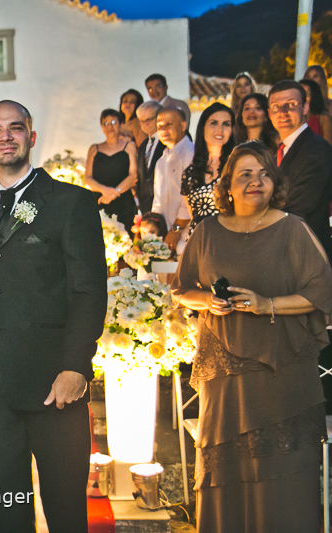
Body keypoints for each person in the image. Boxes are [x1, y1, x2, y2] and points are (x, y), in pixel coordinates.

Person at [0, 100, 106, 533]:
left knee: (66, 513)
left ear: (32, 137)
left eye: (16, 128)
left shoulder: (71, 202)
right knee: (8, 515)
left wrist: (76, 367)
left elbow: (90, 291)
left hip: (55, 385)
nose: (6, 136)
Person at [172, 141, 332, 533]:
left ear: (274, 182)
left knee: (282, 471)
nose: (255, 182)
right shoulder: (207, 231)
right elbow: (181, 288)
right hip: (223, 377)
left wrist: (268, 304)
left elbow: (322, 291)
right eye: (245, 174)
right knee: (226, 470)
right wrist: (208, 301)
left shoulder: (293, 228)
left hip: (280, 372)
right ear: (227, 185)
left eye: (263, 174)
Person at [269, 79, 332, 258]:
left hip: (308, 255)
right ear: (269, 113)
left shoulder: (317, 149)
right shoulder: (277, 154)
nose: (282, 112)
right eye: (276, 106)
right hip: (283, 253)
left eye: (291, 104)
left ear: (305, 108)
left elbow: (296, 206)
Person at [181, 103, 236, 239]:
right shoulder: (190, 173)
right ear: (203, 127)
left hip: (231, 241)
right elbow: (193, 215)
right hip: (198, 242)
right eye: (214, 123)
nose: (220, 130)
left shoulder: (237, 167)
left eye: (226, 124)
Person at [84, 109, 138, 232]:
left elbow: (133, 174)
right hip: (100, 200)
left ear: (121, 124)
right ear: (102, 127)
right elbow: (87, 178)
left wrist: (115, 192)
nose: (110, 126)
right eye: (105, 123)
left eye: (114, 122)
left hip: (123, 201)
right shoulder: (94, 148)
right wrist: (105, 191)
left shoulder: (129, 146)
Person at [152, 108, 193, 253]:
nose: (163, 129)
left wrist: (175, 230)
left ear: (183, 125)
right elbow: (157, 202)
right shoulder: (161, 161)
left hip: (187, 236)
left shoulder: (190, 154)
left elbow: (189, 199)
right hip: (165, 236)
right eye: (159, 125)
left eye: (169, 124)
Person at [136, 101, 166, 214]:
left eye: (149, 119)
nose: (146, 123)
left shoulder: (169, 142)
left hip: (165, 206)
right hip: (146, 208)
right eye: (142, 121)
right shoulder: (144, 146)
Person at [299, 79, 332, 145]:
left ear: (314, 96)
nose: (303, 97)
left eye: (307, 94)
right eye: (300, 93)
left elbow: (328, 146)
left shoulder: (323, 118)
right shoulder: (292, 117)